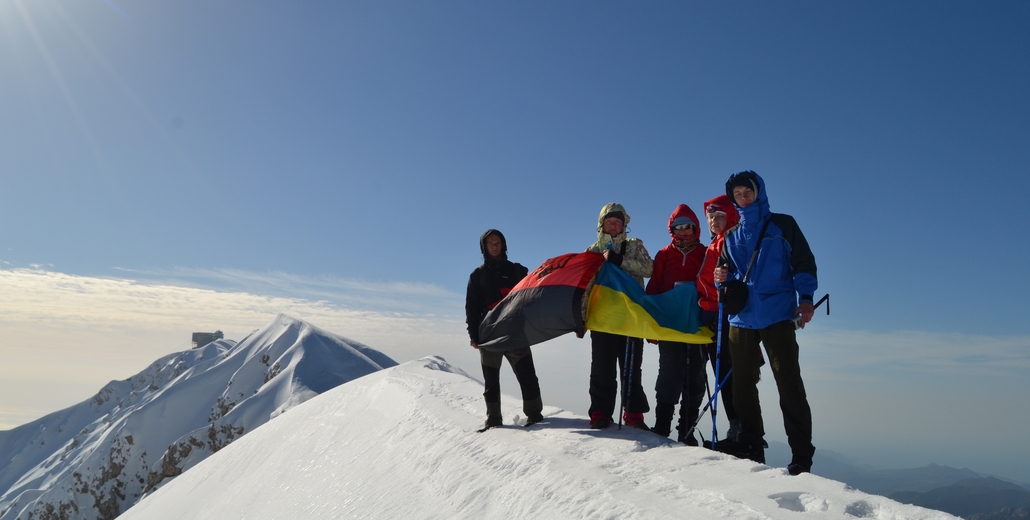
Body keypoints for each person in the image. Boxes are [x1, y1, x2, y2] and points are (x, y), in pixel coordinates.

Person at [713, 171, 818, 475]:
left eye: (748, 192)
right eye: (738, 194)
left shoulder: (783, 225)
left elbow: (803, 263)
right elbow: (726, 274)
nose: (743, 198)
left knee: (789, 384)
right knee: (742, 387)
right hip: (741, 318)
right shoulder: (731, 236)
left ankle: (801, 455)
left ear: (759, 193)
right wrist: (721, 279)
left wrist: (806, 298)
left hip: (777, 315)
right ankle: (751, 445)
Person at [465, 229, 543, 430]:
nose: (494, 246)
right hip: (489, 336)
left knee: (527, 375)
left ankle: (535, 414)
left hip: (516, 333)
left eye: (497, 242)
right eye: (490, 243)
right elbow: (471, 308)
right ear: (484, 247)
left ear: (503, 245)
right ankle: (493, 420)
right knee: (491, 381)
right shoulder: (478, 276)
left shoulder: (518, 271)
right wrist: (473, 336)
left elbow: (534, 293)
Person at [585, 203, 653, 430]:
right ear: (601, 224)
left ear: (624, 225)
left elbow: (650, 268)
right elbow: (585, 286)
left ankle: (633, 415)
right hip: (603, 318)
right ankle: (600, 413)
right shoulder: (592, 251)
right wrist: (581, 318)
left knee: (631, 367)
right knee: (602, 368)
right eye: (609, 221)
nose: (613, 226)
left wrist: (620, 261)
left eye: (618, 222)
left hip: (630, 317)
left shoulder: (635, 246)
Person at [645, 204, 707, 445]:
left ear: (695, 227)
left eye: (687, 226)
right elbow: (654, 289)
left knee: (695, 376)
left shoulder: (705, 252)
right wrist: (652, 324)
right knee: (670, 373)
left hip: (697, 324)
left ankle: (687, 430)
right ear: (672, 230)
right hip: (670, 324)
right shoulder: (664, 254)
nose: (682, 231)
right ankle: (662, 426)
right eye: (677, 227)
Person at [695, 194, 742, 442]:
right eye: (711, 217)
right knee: (722, 372)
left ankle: (740, 426)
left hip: (725, 314)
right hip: (713, 315)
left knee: (728, 372)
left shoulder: (732, 240)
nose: (714, 220)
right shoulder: (716, 243)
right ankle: (737, 426)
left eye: (719, 216)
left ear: (730, 217)